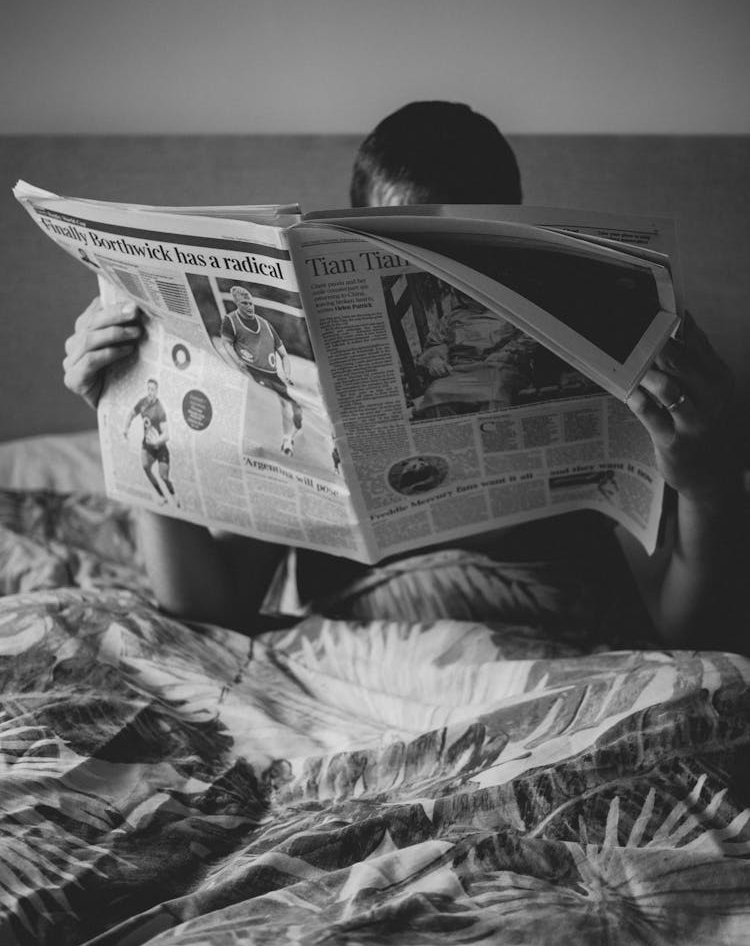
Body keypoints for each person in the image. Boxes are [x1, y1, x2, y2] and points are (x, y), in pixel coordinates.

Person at [61, 100, 747, 650]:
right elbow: (208, 614)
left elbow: (688, 633)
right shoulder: (297, 386)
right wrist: (123, 413)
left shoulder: (606, 361)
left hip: (561, 651)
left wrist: (711, 484)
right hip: (364, 666)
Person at [220, 285, 303, 456]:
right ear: (237, 303)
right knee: (274, 403)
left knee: (297, 411)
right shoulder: (231, 321)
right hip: (252, 371)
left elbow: (284, 355)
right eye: (245, 303)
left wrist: (287, 375)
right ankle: (281, 441)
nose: (249, 306)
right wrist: (238, 362)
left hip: (272, 374)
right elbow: (226, 344)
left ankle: (290, 437)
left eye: (251, 303)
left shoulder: (266, 325)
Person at [122, 378, 179, 507]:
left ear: (157, 391)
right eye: (148, 389)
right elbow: (131, 414)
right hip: (147, 445)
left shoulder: (160, 408)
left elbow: (167, 434)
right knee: (145, 467)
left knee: (163, 476)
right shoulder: (142, 403)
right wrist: (126, 428)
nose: (150, 392)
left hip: (160, 447)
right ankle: (161, 496)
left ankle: (174, 495)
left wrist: (157, 441)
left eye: (152, 389)